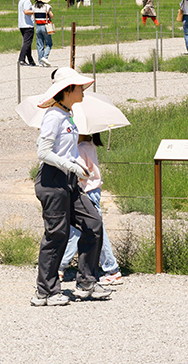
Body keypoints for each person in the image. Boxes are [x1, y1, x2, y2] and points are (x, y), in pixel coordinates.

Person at [31, 67, 112, 306]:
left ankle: (87, 282)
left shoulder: (67, 115)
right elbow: (43, 152)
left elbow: (66, 151)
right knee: (57, 234)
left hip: (69, 181)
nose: (83, 90)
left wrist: (78, 165)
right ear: (67, 91)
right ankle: (45, 292)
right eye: (79, 87)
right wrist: (72, 165)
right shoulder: (53, 117)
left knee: (93, 223)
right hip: (52, 181)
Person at [58, 132, 123, 287]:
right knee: (90, 229)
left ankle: (111, 269)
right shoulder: (90, 146)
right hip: (93, 191)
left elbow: (81, 174)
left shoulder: (80, 148)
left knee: (85, 229)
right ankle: (110, 269)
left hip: (85, 192)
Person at [18, 0, 37, 67]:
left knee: (27, 43)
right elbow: (26, 11)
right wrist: (34, 11)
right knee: (27, 43)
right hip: (27, 25)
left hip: (22, 24)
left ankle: (30, 60)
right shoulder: (27, 0)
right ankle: (21, 59)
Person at [33, 0, 55, 67]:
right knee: (49, 43)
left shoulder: (34, 6)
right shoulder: (47, 6)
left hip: (38, 26)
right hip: (45, 26)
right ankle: (45, 57)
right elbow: (51, 16)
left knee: (40, 44)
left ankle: (40, 62)